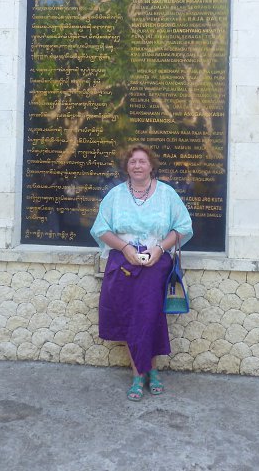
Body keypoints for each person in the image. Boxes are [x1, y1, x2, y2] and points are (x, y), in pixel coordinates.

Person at [90, 144, 193, 401]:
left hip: (155, 265)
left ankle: (149, 371)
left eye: (142, 161)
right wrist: (125, 248)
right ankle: (141, 373)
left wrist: (160, 248)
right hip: (123, 265)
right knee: (130, 318)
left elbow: (183, 227)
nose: (137, 165)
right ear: (127, 166)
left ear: (151, 165)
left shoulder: (167, 194)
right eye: (133, 161)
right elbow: (101, 229)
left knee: (149, 317)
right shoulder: (115, 195)